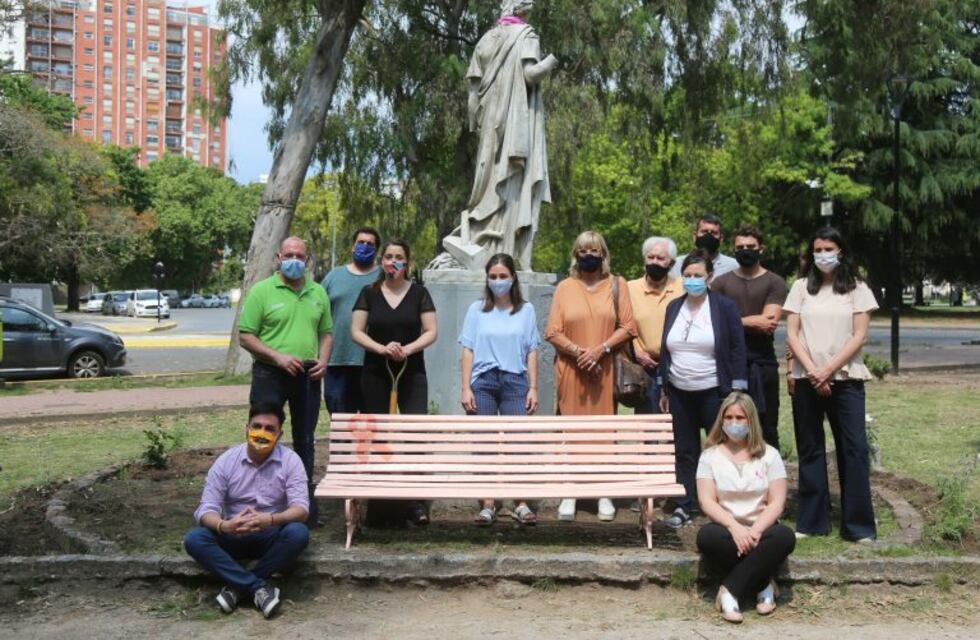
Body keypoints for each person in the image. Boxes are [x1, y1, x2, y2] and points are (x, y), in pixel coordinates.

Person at [441, 0, 557, 270]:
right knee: (514, 178)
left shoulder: (485, 40)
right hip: (515, 118)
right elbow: (531, 75)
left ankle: (482, 240)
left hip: (489, 117)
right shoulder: (527, 35)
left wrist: (477, 122)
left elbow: (473, 91)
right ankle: (507, 250)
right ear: (520, 8)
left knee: (488, 177)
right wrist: (551, 61)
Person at [783, 227, 878, 542]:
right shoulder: (800, 288)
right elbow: (792, 333)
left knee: (854, 449)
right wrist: (813, 371)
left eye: (828, 249)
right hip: (806, 378)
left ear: (841, 252)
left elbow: (859, 335)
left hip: (846, 379)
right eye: (818, 250)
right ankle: (812, 521)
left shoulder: (857, 289)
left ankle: (858, 526)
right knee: (810, 448)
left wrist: (828, 370)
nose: (823, 255)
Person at [183, 404, 311, 619]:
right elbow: (206, 509)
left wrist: (271, 519)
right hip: (233, 534)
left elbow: (301, 509)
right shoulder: (225, 461)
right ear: (246, 429)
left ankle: (237, 587)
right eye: (256, 426)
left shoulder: (291, 461)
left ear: (280, 434)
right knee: (195, 539)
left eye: (269, 429)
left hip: (271, 535)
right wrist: (224, 525)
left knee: (298, 533)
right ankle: (257, 587)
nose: (261, 433)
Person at [238, 236, 332, 526]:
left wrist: (324, 360)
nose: (294, 260)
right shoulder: (262, 291)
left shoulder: (318, 292)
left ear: (307, 260)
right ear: (278, 257)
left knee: (305, 439)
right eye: (288, 255)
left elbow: (326, 333)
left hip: (307, 375)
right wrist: (277, 357)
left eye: (299, 256)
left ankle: (303, 507)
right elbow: (246, 336)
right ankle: (258, 501)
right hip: (270, 373)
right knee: (262, 436)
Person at [545, 230, 637, 522]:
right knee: (571, 432)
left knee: (603, 432)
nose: (589, 255)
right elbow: (553, 331)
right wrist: (579, 352)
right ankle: (570, 491)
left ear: (603, 255)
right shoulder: (564, 288)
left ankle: (603, 492)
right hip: (571, 370)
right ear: (576, 255)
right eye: (583, 250)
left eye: (594, 251)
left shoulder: (617, 285)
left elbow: (628, 327)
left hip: (604, 370)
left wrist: (599, 350)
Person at [658, 250, 748, 529]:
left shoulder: (724, 307)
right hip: (679, 392)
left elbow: (737, 347)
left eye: (698, 275)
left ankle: (725, 505)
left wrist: (737, 390)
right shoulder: (674, 307)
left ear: (709, 277)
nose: (692, 280)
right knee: (684, 451)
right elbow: (665, 349)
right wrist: (663, 388)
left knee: (721, 450)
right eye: (687, 275)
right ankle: (684, 504)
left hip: (714, 391)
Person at [351, 239, 438, 525]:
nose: (393, 261)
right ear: (382, 261)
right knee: (378, 436)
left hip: (412, 372)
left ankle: (415, 502)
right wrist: (381, 349)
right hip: (376, 372)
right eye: (388, 256)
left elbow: (431, 331)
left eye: (399, 256)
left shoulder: (420, 293)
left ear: (407, 262)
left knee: (414, 435)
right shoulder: (369, 293)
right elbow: (356, 331)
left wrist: (407, 350)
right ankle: (380, 503)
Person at [695, 392, 795, 624]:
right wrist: (734, 528)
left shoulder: (770, 455)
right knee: (707, 537)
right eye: (728, 417)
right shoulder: (709, 456)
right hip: (726, 530)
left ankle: (729, 591)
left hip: (762, 530)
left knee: (784, 537)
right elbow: (707, 501)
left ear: (751, 421)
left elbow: (777, 502)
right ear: (721, 420)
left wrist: (755, 531)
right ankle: (764, 584)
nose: (734, 423)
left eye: (740, 418)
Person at [459, 253, 542, 525]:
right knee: (483, 443)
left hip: (515, 380)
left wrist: (533, 387)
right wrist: (465, 387)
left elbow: (532, 350)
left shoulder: (526, 310)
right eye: (493, 276)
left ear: (513, 277)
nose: (498, 281)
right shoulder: (476, 309)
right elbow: (468, 349)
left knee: (519, 444)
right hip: (483, 381)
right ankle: (488, 503)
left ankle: (520, 502)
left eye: (503, 276)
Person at [711, 225, 788, 449]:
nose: (745, 251)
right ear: (733, 250)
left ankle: (768, 468)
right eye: (740, 247)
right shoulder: (720, 283)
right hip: (729, 364)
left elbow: (768, 323)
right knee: (729, 423)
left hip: (763, 363)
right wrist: (748, 322)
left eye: (750, 246)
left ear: (761, 249)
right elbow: (714, 324)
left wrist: (732, 321)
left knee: (767, 425)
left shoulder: (775, 282)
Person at [321, 227, 381, 414]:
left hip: (373, 362)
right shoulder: (334, 276)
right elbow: (319, 313)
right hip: (337, 361)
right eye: (360, 242)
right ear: (353, 247)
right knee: (340, 421)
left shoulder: (383, 278)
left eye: (370, 244)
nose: (364, 246)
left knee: (372, 423)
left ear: (377, 250)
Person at [627, 236, 684, 414]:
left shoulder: (682, 287)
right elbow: (623, 325)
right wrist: (636, 352)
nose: (654, 262)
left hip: (677, 367)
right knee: (647, 422)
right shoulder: (629, 288)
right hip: (645, 368)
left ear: (671, 263)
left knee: (677, 421)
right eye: (650, 257)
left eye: (660, 258)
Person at [670, 214, 739, 278]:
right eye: (704, 231)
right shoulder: (677, 265)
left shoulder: (733, 266)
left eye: (714, 233)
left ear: (721, 239)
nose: (708, 236)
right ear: (694, 236)